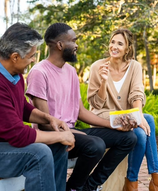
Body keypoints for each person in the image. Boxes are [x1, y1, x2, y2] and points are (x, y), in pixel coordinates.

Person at [0, 23, 75, 191]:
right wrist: (60, 136)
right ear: (15, 57)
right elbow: (18, 135)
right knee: (39, 154)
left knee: (56, 147)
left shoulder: (13, 73)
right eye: (31, 56)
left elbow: (22, 107)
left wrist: (49, 118)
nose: (33, 60)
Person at [26, 23, 137, 191]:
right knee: (96, 144)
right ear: (60, 45)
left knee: (128, 138)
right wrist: (70, 133)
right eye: (73, 40)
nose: (76, 45)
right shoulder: (39, 72)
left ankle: (89, 187)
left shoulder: (70, 72)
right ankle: (74, 188)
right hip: (53, 136)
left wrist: (114, 125)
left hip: (72, 132)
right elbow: (44, 123)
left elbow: (80, 112)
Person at [87, 28, 158, 191]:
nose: (114, 46)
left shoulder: (134, 66)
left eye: (120, 43)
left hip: (127, 116)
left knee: (148, 120)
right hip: (105, 118)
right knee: (140, 132)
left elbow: (137, 94)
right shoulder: (97, 67)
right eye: (112, 42)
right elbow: (96, 104)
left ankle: (145, 179)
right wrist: (104, 82)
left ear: (128, 48)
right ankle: (147, 181)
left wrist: (138, 116)